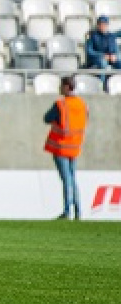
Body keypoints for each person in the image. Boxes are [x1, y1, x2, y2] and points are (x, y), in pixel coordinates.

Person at [44, 76, 89, 220]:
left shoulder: (61, 104)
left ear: (67, 87)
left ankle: (67, 210)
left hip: (61, 146)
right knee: (72, 178)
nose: (59, 88)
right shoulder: (82, 104)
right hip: (75, 146)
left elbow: (47, 118)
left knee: (66, 179)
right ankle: (78, 210)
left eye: (61, 86)